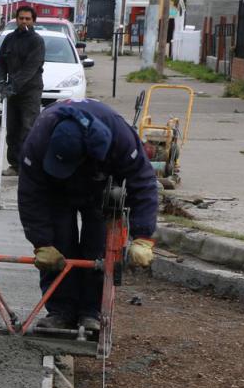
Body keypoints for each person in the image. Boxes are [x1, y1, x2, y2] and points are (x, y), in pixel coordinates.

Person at [17, 98, 159, 332]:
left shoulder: (118, 137)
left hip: (99, 186)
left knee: (98, 248)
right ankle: (60, 312)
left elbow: (142, 182)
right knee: (59, 245)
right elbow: (30, 194)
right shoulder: (39, 139)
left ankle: (91, 312)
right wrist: (41, 242)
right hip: (56, 189)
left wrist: (143, 236)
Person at [0, 5, 46, 176]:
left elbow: (29, 69)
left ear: (33, 21)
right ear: (16, 19)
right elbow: (1, 63)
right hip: (12, 92)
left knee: (27, 129)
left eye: (27, 19)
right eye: (21, 18)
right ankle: (15, 165)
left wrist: (13, 86)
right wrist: (2, 84)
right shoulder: (9, 39)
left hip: (30, 91)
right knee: (12, 130)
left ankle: (28, 166)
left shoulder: (37, 41)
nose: (24, 21)